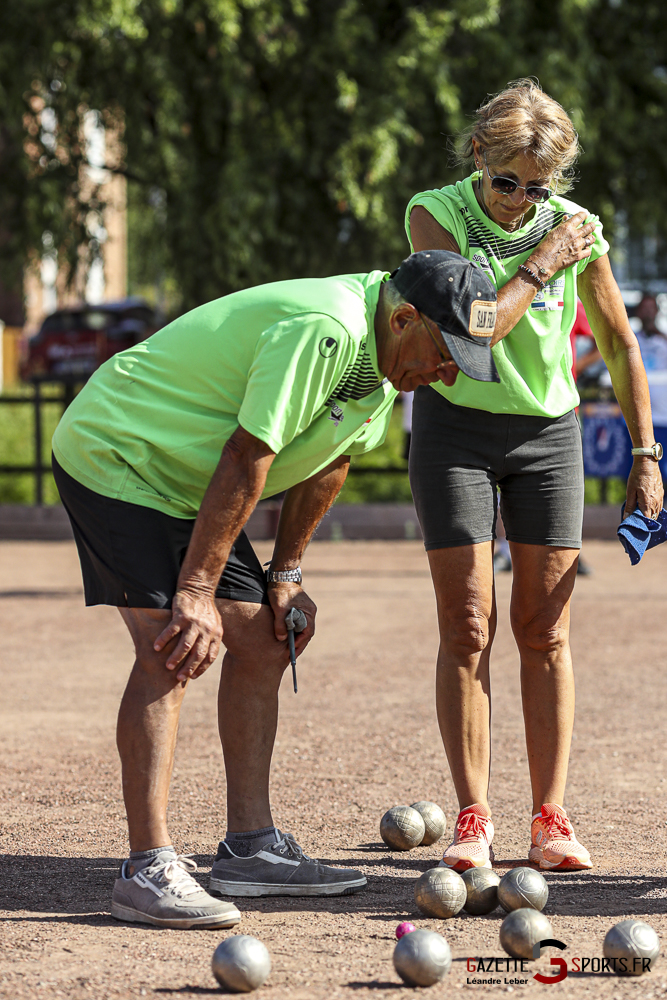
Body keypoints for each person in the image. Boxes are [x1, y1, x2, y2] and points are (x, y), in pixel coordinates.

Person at [51, 250, 498, 928]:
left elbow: (329, 461)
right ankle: (146, 869)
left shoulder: (381, 367)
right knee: (173, 646)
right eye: (445, 353)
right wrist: (196, 590)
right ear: (404, 318)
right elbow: (248, 453)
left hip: (188, 480)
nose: (446, 374)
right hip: (122, 452)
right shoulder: (326, 328)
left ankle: (250, 848)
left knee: (262, 642)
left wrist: (285, 573)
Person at [405, 79, 663, 873]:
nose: (519, 202)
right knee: (467, 626)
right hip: (454, 429)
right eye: (506, 182)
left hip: (548, 436)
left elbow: (618, 343)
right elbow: (474, 328)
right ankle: (473, 817)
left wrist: (646, 455)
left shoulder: (577, 227)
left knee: (544, 630)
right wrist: (545, 261)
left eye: (537, 188)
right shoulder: (434, 216)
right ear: (476, 156)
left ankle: (549, 818)